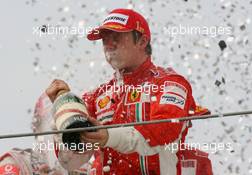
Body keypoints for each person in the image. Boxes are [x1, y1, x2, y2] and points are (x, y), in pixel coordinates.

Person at [46, 8, 212, 175]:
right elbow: (71, 161)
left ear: (142, 41)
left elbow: (164, 132)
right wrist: (64, 111)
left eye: (116, 37)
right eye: (105, 39)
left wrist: (108, 136)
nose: (109, 44)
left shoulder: (169, 83)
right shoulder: (97, 96)